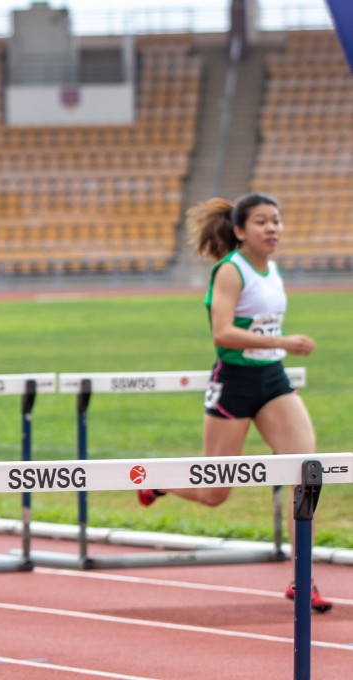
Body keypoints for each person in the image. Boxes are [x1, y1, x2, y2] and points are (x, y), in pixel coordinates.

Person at [138, 192, 331, 612]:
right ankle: (159, 480)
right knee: (214, 494)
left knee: (306, 472)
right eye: (262, 221)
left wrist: (276, 347)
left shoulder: (274, 270)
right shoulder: (230, 270)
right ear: (241, 231)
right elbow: (222, 333)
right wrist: (283, 340)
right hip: (235, 382)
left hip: (272, 379)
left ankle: (303, 578)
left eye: (277, 221)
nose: (272, 229)